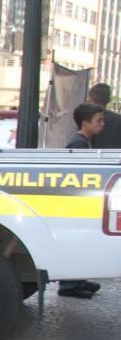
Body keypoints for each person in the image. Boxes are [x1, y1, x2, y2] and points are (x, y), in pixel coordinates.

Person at [58, 103, 105, 299]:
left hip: (80, 203)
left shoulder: (84, 141)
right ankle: (69, 285)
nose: (102, 124)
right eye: (98, 121)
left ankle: (78, 280)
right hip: (75, 203)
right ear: (85, 123)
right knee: (74, 243)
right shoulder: (77, 143)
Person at [88, 83, 121, 149]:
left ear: (91, 100)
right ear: (109, 100)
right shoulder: (119, 119)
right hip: (116, 158)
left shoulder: (87, 120)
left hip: (93, 158)